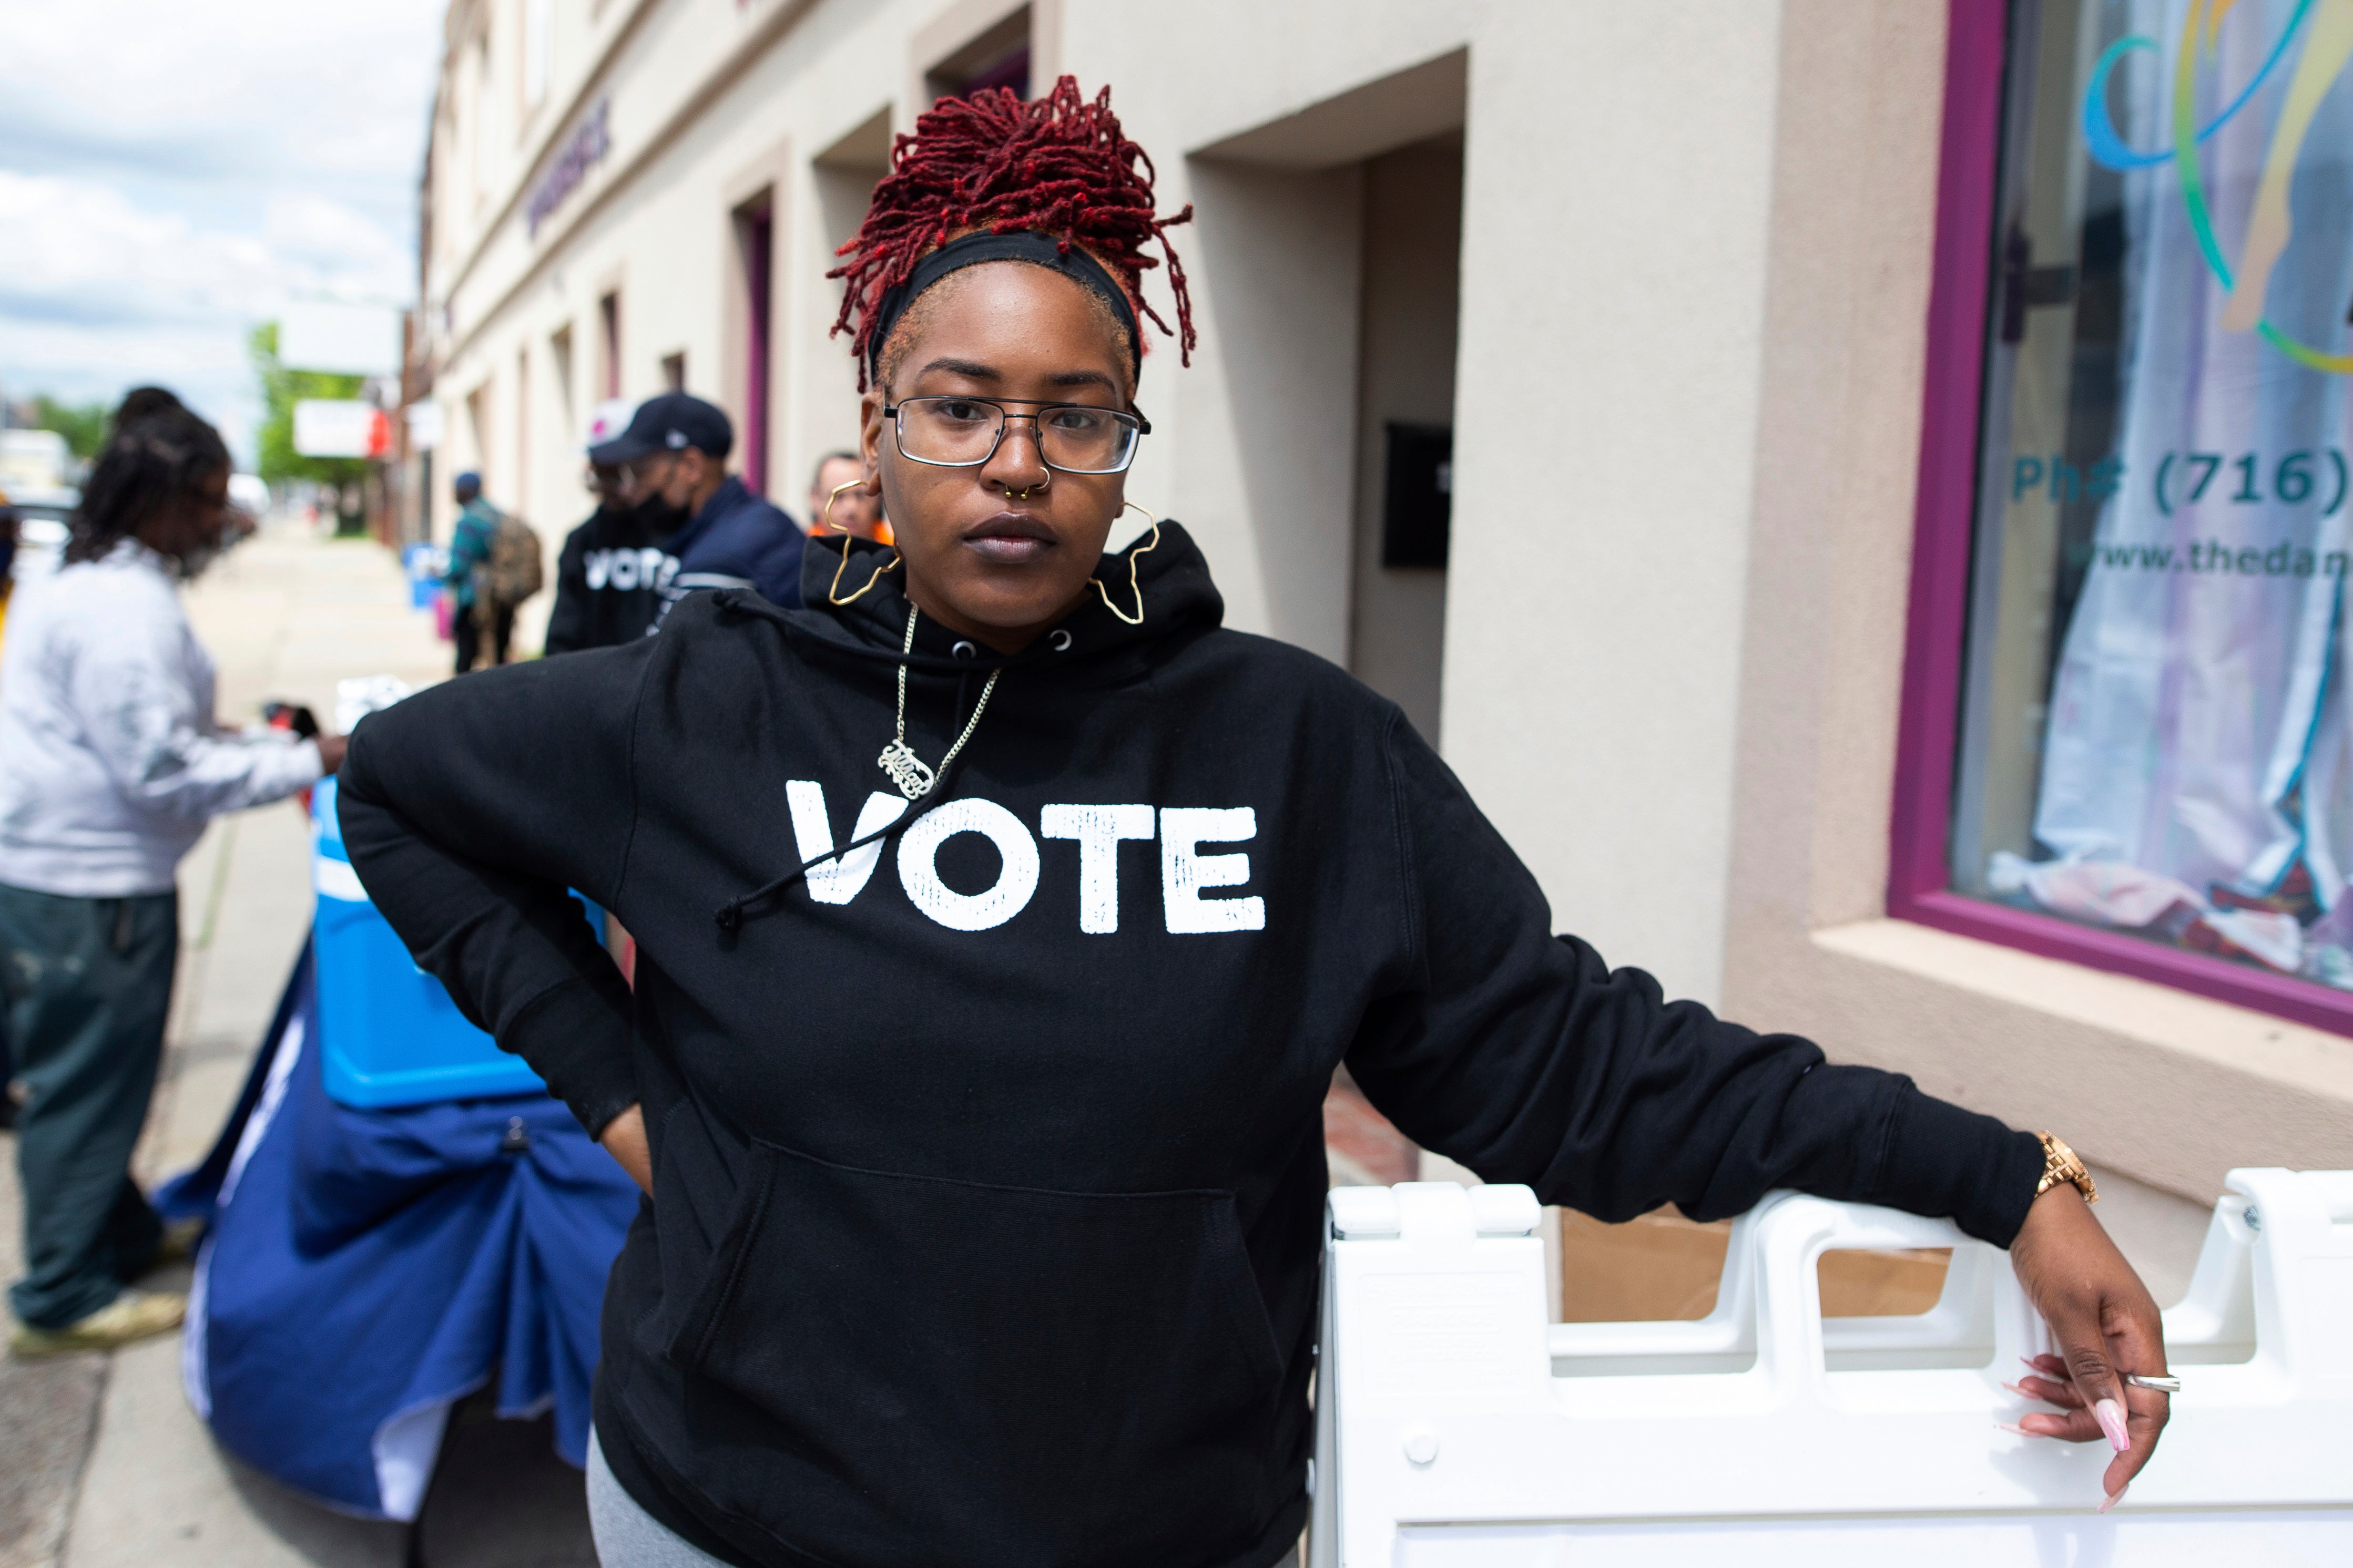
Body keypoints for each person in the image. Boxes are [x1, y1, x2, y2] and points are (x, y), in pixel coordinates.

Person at [336, 79, 2169, 1568]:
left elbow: (1579, 1066)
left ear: (1126, 444)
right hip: (733, 1516)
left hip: (1165, 1529)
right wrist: (628, 1099)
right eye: (959, 408)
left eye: (1076, 416)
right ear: (876, 430)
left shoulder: (1298, 750)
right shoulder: (705, 707)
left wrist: (1997, 1174)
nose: (1016, 461)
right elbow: (401, 788)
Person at [0, 401, 344, 1356]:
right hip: (91, 891)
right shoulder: (125, 610)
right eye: (207, 501)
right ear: (160, 499)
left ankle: (118, 1233)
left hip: (60, 873)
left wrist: (253, 740)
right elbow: (161, 769)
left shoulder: (88, 578)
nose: (218, 522)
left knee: (93, 1081)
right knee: (86, 1088)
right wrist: (315, 757)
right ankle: (62, 1295)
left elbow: (148, 733)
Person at [587, 393, 802, 624]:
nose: (630, 490)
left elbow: (670, 647)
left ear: (691, 467)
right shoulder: (752, 521)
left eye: (639, 472)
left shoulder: (718, 561)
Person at [546, 408, 682, 655]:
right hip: (596, 674)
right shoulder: (582, 540)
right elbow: (564, 632)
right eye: (599, 472)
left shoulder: (680, 534)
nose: (605, 485)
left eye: (616, 472)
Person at [446, 471, 513, 673]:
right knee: (498, 659)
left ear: (465, 491)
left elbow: (459, 565)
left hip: (475, 601)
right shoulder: (498, 515)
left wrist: (443, 576)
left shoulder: (469, 521)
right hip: (502, 595)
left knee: (466, 660)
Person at [806, 449, 887, 542]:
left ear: (877, 496)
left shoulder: (898, 546)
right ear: (815, 499)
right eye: (838, 496)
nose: (851, 508)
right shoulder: (799, 547)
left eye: (860, 495)